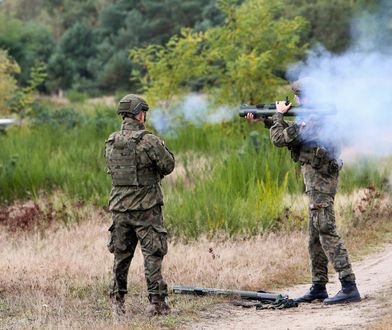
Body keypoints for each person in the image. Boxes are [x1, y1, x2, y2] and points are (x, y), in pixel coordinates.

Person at [246, 80, 361, 305]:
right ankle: (319, 286)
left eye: (298, 97)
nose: (296, 101)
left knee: (326, 230)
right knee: (314, 236)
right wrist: (267, 119)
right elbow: (295, 133)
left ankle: (349, 285)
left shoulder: (316, 117)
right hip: (315, 183)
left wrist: (278, 116)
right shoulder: (312, 117)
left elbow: (282, 138)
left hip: (321, 182)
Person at [104, 94, 175, 318]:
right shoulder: (149, 141)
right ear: (140, 114)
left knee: (121, 256)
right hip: (147, 209)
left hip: (119, 209)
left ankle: (117, 303)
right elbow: (168, 165)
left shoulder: (111, 141)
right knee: (152, 254)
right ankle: (156, 304)